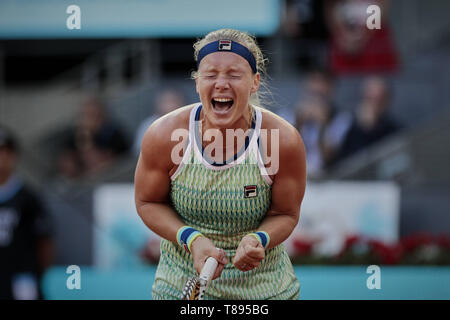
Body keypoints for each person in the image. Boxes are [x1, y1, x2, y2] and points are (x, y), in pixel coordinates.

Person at [134, 29, 306, 300]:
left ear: (255, 82)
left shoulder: (283, 140)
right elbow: (147, 202)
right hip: (181, 284)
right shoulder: (163, 135)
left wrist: (256, 240)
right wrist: (192, 239)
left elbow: (285, 214)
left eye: (234, 75)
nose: (221, 84)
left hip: (264, 292)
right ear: (197, 83)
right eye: (210, 75)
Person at [0, 126, 53, 300]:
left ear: (13, 156)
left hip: (21, 277)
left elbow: (44, 241)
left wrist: (36, 273)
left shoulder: (28, 198)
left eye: (5, 152)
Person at [295, 68, 351, 178]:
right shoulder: (288, 115)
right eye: (314, 81)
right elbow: (284, 153)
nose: (318, 88)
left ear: (332, 90)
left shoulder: (342, 119)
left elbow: (329, 157)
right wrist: (299, 123)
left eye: (324, 83)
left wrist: (323, 125)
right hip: (295, 178)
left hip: (328, 180)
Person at [338, 75, 400, 160]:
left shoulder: (395, 130)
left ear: (387, 101)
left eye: (379, 100)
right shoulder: (346, 125)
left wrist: (371, 130)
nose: (374, 105)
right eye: (370, 98)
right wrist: (364, 129)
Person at [133, 89, 185, 156]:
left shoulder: (190, 122)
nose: (170, 105)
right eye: (166, 102)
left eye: (174, 101)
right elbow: (140, 154)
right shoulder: (148, 126)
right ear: (158, 104)